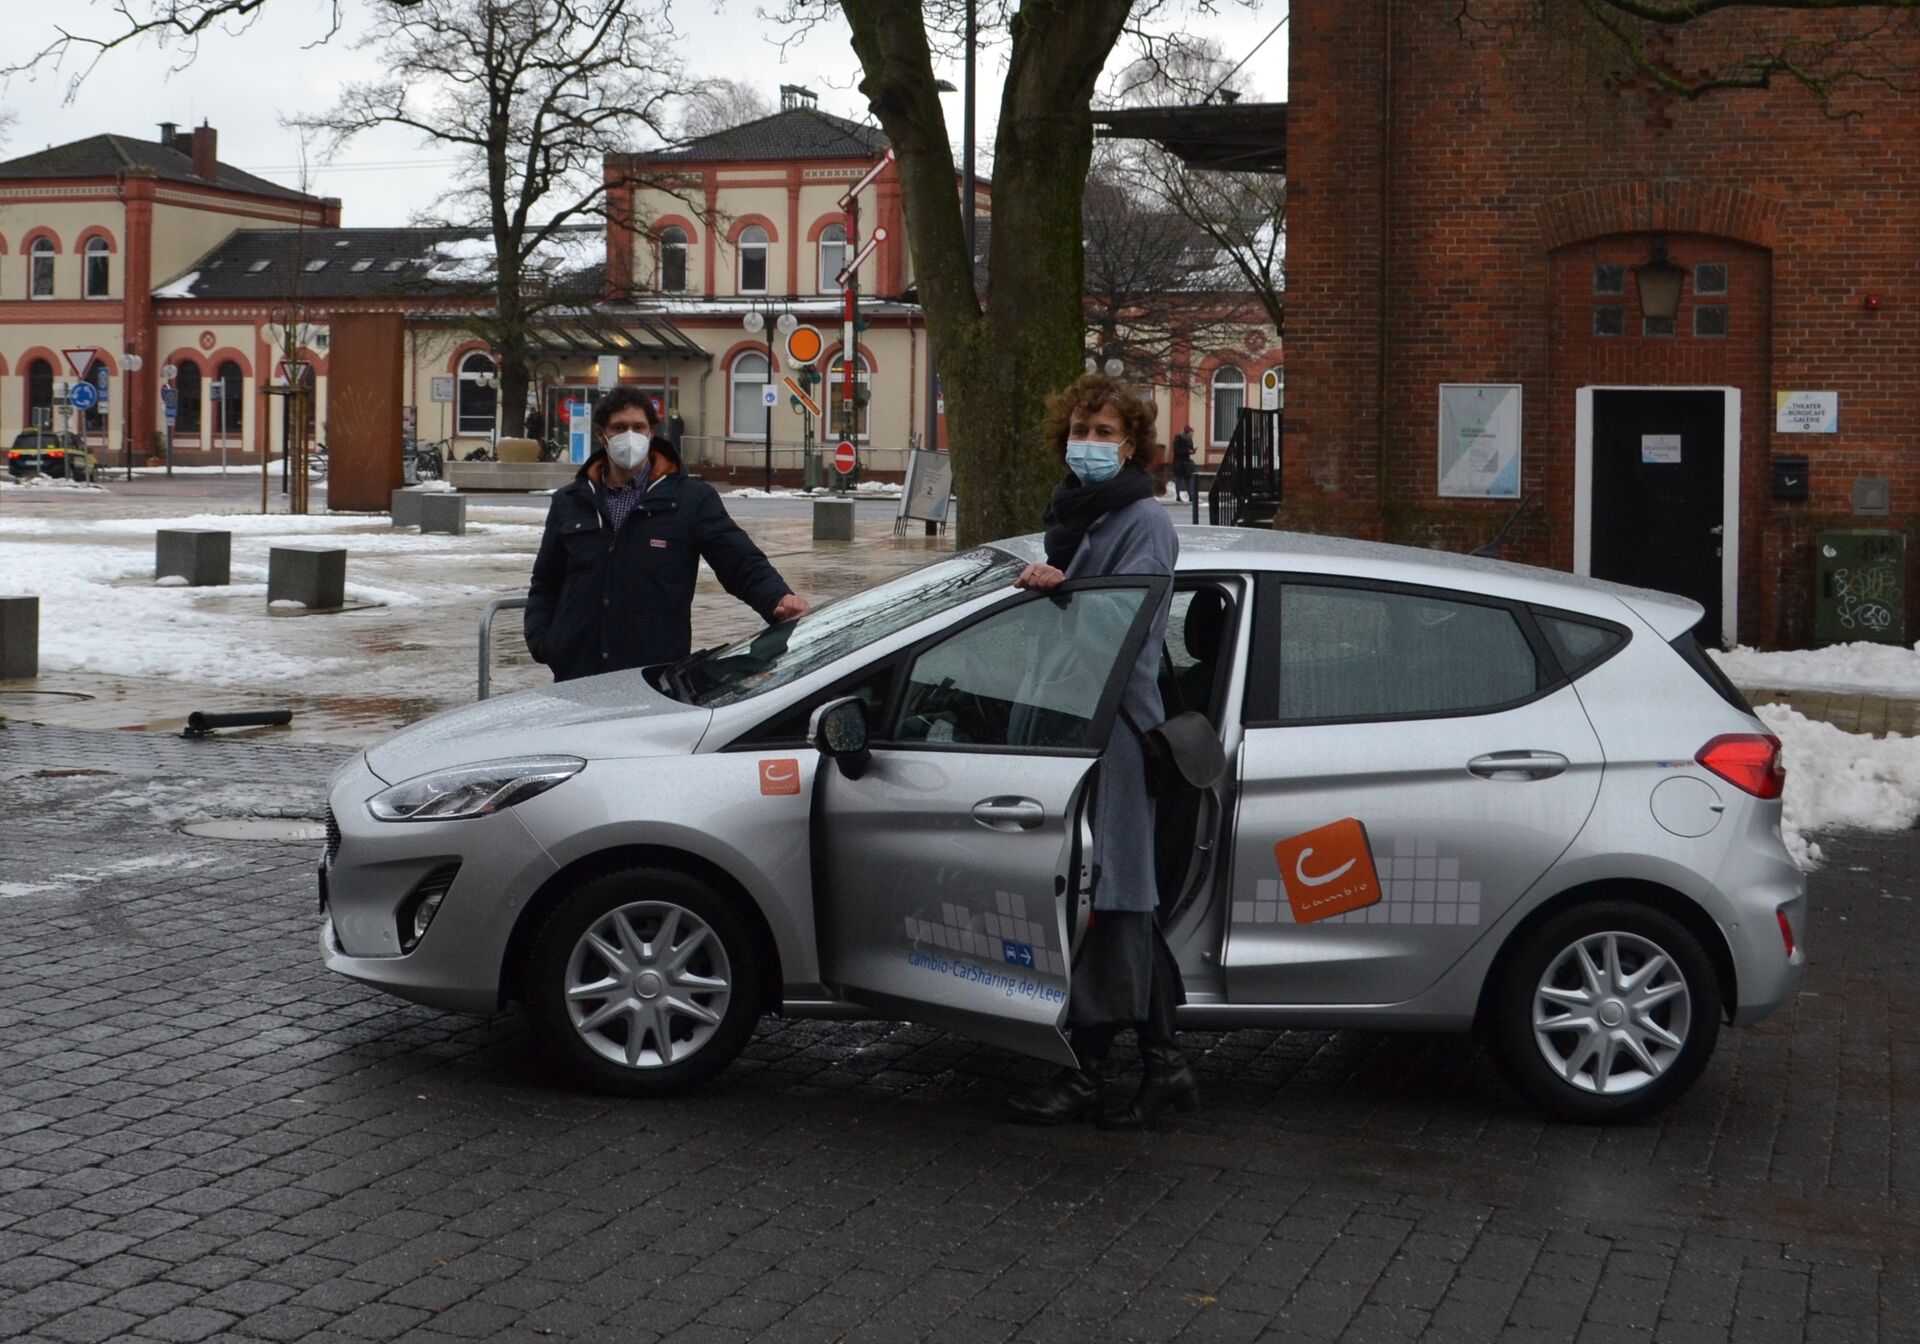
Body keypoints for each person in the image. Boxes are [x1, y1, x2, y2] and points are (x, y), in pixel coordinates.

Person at [1005, 373, 1195, 1131]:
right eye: (1081, 431)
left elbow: (1119, 637)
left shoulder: (1142, 520)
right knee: (1117, 898)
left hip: (1114, 727)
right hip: (1079, 725)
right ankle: (1163, 1065)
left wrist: (1064, 593)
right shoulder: (1078, 515)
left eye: (1105, 433)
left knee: (1116, 894)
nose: (1089, 445)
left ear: (1134, 444)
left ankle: (1088, 1072)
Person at [524, 386, 809, 682]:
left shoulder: (690, 499)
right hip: (577, 673)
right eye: (619, 428)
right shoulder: (570, 501)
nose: (629, 436)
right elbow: (546, 582)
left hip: (653, 676)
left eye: (638, 427)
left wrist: (777, 598)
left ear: (651, 434)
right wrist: (544, 642)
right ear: (602, 436)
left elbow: (738, 560)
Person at [1171, 424, 1197, 502]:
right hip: (1178, 463)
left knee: (1189, 480)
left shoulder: (1189, 440)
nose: (1192, 435)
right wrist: (1187, 451)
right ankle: (1178, 496)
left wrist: (1193, 451)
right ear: (1186, 433)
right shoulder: (1178, 440)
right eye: (1190, 433)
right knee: (1179, 480)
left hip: (1187, 463)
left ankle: (1191, 496)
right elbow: (1177, 451)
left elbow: (1190, 449)